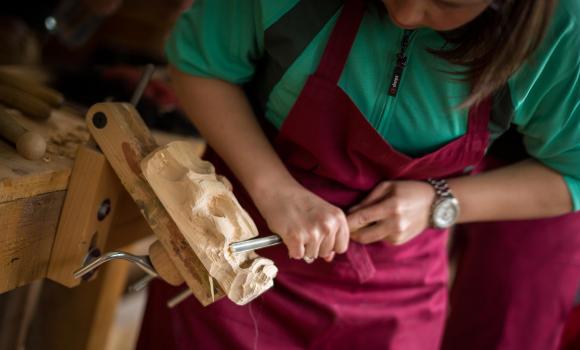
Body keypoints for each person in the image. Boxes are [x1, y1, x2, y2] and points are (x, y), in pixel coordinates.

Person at [137, 0, 580, 349]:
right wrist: (274, 188)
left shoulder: (559, 26)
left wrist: (441, 202)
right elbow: (201, 64)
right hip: (236, 249)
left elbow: (572, 174)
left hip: (397, 288)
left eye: (446, 3)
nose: (405, 13)